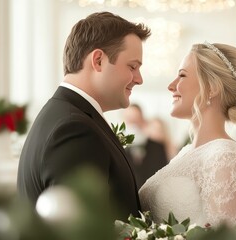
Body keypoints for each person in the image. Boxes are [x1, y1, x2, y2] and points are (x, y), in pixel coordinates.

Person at [139, 42, 236, 230]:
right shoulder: (188, 151)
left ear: (211, 88)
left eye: (182, 75)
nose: (171, 86)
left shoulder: (226, 158)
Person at [17, 12, 151, 218]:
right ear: (98, 60)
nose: (139, 79)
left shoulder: (67, 115)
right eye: (132, 66)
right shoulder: (74, 129)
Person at [122, 104, 168, 188]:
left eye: (136, 119)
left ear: (142, 120)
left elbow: (163, 174)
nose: (133, 123)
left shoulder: (157, 147)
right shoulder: (118, 148)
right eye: (129, 119)